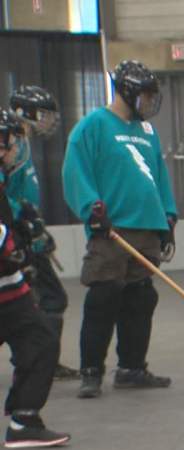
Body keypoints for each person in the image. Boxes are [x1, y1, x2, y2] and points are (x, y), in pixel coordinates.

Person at [62, 59, 178, 399]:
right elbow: (74, 171)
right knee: (104, 296)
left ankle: (131, 367)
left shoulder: (147, 132)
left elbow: (158, 174)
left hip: (147, 228)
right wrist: (91, 208)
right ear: (127, 91)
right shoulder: (93, 126)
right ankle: (91, 371)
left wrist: (167, 216)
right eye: (144, 95)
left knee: (141, 298)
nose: (148, 102)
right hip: (112, 230)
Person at [4, 85, 77, 379]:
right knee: (48, 299)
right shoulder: (11, 145)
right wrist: (24, 224)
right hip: (14, 234)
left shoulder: (22, 142)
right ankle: (41, 360)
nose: (49, 122)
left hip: (24, 229)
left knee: (35, 298)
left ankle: (39, 358)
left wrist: (36, 225)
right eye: (44, 115)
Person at [0, 195, 71, 448]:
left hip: (10, 291)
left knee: (42, 341)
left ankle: (25, 421)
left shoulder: (6, 184)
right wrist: (17, 241)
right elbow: (6, 242)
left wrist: (27, 234)